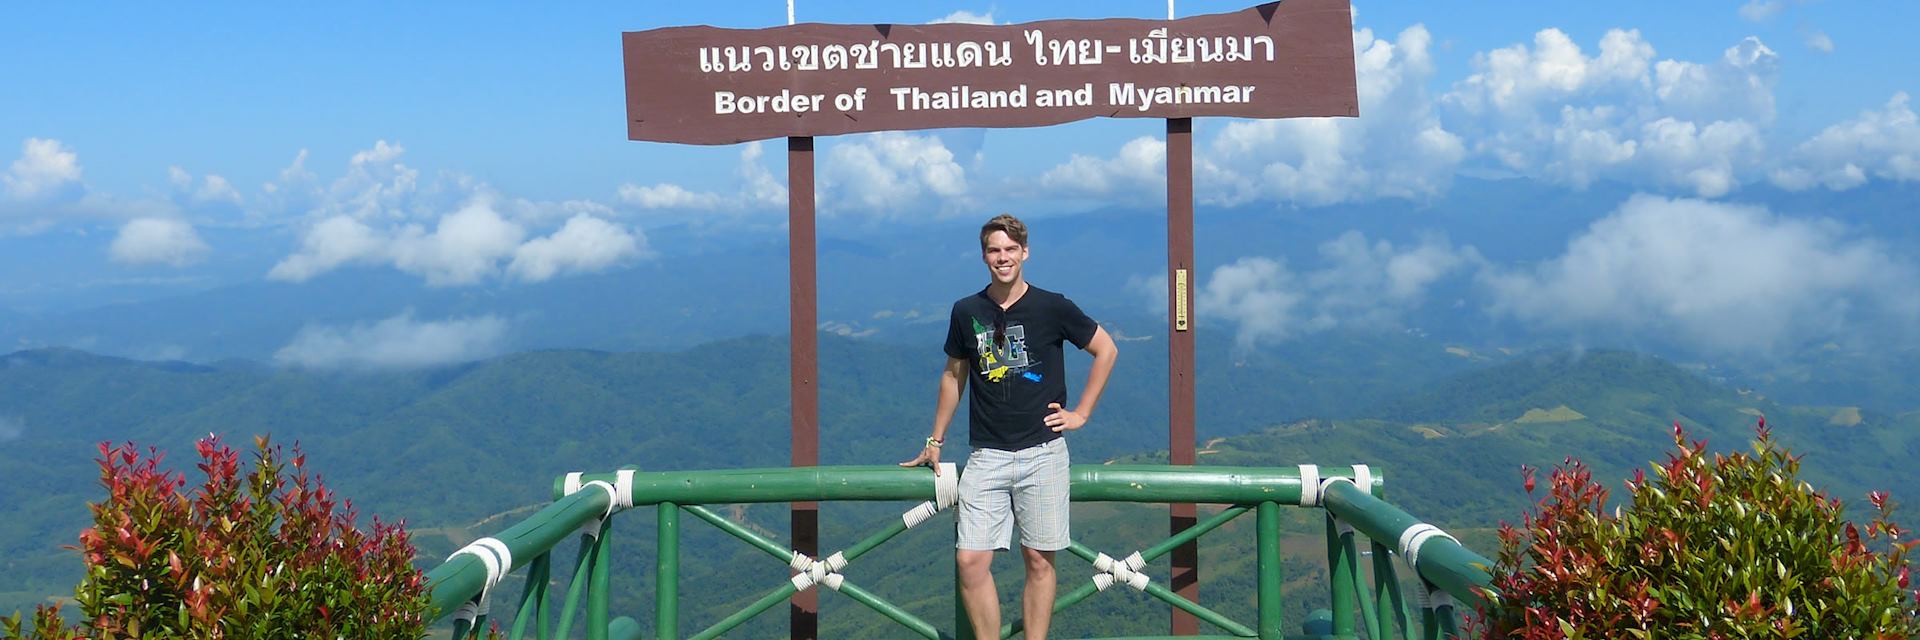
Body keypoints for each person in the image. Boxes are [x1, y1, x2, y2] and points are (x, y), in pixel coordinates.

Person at [900, 214, 1118, 640]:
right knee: (970, 562)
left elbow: (1106, 349)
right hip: (987, 454)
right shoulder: (967, 311)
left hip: (1044, 452)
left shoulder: (1052, 306)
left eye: (1010, 249)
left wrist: (1081, 415)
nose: (1003, 258)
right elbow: (953, 376)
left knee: (1039, 560)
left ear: (1025, 252)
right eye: (994, 250)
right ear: (984, 256)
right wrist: (935, 440)